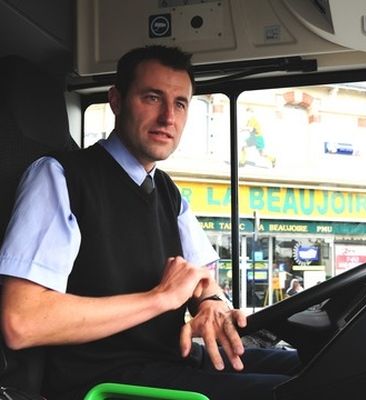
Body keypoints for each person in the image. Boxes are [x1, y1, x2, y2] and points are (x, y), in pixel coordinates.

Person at [0, 45, 299, 400]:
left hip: (176, 360)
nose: (168, 118)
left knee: (323, 367)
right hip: (107, 381)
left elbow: (201, 278)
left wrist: (211, 303)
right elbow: (22, 322)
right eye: (152, 98)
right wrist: (159, 299)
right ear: (116, 100)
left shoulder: (167, 192)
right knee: (303, 392)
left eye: (181, 104)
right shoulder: (61, 176)